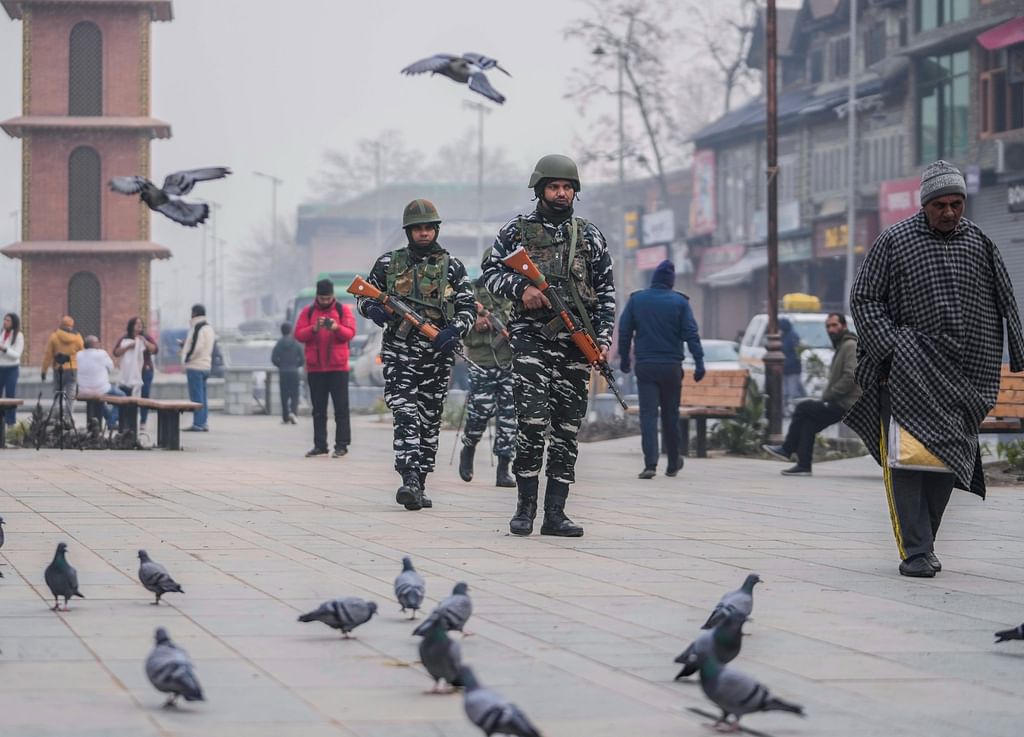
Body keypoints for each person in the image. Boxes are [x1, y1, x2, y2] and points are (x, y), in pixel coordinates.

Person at [846, 160, 1024, 578]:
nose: (949, 212)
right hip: (905, 372)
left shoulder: (979, 243)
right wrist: (892, 348)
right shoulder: (894, 241)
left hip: (963, 376)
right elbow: (865, 299)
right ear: (924, 205)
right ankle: (916, 551)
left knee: (947, 460)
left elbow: (1007, 298)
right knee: (907, 462)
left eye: (956, 204)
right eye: (940, 204)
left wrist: (1017, 353)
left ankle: (926, 542)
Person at [482, 154, 616, 537]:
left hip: (576, 341)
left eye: (568, 187)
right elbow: (490, 274)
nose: (562, 193)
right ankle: (525, 508)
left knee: (567, 426)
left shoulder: (589, 236)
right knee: (532, 420)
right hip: (530, 339)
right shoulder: (516, 232)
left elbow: (605, 293)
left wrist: (601, 341)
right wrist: (520, 288)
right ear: (540, 189)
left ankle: (555, 514)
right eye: (554, 187)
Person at [356, 199, 475, 511]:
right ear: (408, 232)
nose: (424, 233)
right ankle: (408, 476)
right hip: (399, 354)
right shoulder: (387, 264)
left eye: (428, 228)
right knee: (406, 414)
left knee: (429, 419)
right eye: (418, 229)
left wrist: (455, 331)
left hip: (436, 359)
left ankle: (420, 482)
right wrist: (372, 309)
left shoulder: (453, 267)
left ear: (435, 230)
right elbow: (363, 296)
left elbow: (467, 307)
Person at [617, 259, 704, 479]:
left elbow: (625, 331)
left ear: (653, 279)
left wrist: (625, 359)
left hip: (645, 366)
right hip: (671, 367)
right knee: (670, 415)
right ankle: (674, 462)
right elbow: (691, 334)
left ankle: (650, 465)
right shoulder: (680, 303)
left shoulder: (637, 300)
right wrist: (699, 361)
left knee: (648, 415)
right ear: (671, 282)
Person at [762, 313, 860, 476]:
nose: (831, 329)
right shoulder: (841, 345)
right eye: (828, 326)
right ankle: (803, 465)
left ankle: (787, 448)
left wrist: (830, 395)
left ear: (844, 326)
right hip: (841, 402)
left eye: (834, 325)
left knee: (803, 407)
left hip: (846, 403)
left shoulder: (849, 345)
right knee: (809, 423)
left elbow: (851, 376)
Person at [458, 263, 516, 488]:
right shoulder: (472, 292)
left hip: (508, 363)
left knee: (509, 418)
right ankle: (469, 449)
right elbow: (459, 324)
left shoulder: (514, 292)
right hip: (482, 363)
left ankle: (504, 468)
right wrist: (476, 324)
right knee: (479, 412)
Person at [294, 280, 355, 456]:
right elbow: (298, 334)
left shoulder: (342, 311)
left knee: (341, 409)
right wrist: (314, 328)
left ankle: (342, 445)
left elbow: (350, 333)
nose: (325, 301)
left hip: (338, 368)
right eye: (322, 298)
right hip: (316, 369)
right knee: (318, 410)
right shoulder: (308, 312)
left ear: (333, 296)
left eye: (328, 298)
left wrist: (336, 327)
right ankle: (320, 445)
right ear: (317, 297)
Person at [113, 317, 159, 429]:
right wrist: (129, 346)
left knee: (144, 395)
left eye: (141, 324)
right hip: (128, 373)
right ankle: (126, 420)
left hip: (145, 371)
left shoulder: (146, 337)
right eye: (136, 324)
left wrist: (144, 342)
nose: (139, 326)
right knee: (126, 396)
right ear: (131, 325)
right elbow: (116, 352)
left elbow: (155, 349)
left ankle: (143, 421)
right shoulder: (124, 338)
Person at [75, 335, 126, 428]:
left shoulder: (78, 354)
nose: (99, 344)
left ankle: (108, 421)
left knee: (100, 400)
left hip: (83, 390)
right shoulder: (102, 353)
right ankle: (111, 421)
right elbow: (111, 367)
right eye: (98, 342)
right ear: (94, 344)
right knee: (123, 396)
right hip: (101, 389)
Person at [179, 304, 216, 432]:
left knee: (196, 398)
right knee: (203, 397)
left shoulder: (197, 327)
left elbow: (196, 346)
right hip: (206, 365)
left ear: (194, 313)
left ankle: (198, 423)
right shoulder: (209, 328)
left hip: (195, 366)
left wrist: (187, 357)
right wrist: (186, 345)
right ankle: (203, 422)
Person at [41, 315, 85, 410]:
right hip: (72, 369)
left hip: (58, 369)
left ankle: (56, 416)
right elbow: (82, 353)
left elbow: (48, 355)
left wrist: (44, 371)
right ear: (72, 325)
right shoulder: (78, 337)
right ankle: (68, 417)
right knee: (70, 395)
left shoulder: (54, 336)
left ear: (61, 324)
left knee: (57, 393)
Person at [271, 322, 304, 425]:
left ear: (281, 331)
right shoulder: (296, 343)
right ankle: (293, 413)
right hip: (294, 372)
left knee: (284, 395)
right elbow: (302, 359)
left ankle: (285, 417)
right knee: (295, 394)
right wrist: (296, 365)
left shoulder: (279, 344)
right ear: (290, 331)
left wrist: (280, 365)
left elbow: (273, 359)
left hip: (283, 372)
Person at [0, 312, 24, 427]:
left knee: (10, 395)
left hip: (11, 369)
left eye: (8, 320)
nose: (5, 322)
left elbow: (17, 355)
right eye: (4, 320)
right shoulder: (1, 333)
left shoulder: (18, 335)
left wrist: (4, 349)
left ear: (13, 323)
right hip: (0, 367)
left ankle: (10, 423)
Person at [780, 318, 805, 410]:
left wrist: (785, 363)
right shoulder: (783, 336)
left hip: (793, 369)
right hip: (785, 369)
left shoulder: (792, 337)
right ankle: (786, 408)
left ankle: (793, 408)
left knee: (792, 391)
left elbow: (795, 354)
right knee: (785, 391)